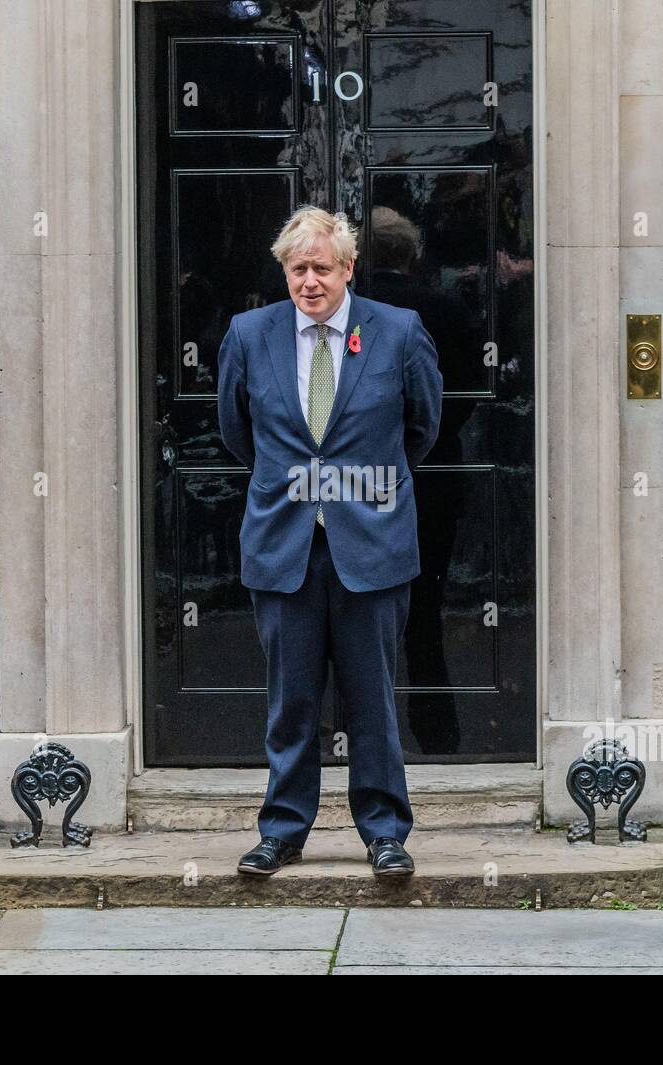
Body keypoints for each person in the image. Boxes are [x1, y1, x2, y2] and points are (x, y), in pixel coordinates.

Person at [217, 206, 443, 876]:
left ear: (348, 267)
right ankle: (283, 828)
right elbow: (237, 430)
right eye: (297, 268)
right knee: (291, 700)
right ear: (283, 271)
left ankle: (384, 831)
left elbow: (421, 425)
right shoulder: (249, 334)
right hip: (283, 542)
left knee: (372, 696)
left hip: (369, 542)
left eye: (321, 267)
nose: (309, 281)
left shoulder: (398, 332)